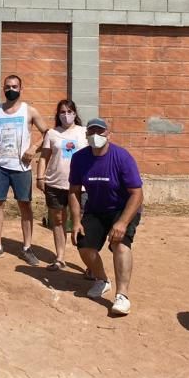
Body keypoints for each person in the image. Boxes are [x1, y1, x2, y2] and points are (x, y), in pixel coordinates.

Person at [68, 118, 143, 316]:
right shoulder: (79, 158)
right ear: (86, 136)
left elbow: (137, 193)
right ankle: (102, 280)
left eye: (100, 132)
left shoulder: (122, 157)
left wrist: (123, 222)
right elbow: (74, 191)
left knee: (120, 243)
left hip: (124, 207)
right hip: (95, 208)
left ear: (108, 135)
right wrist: (76, 222)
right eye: (91, 132)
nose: (96, 136)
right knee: (83, 244)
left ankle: (122, 296)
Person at [0, 74, 48, 263]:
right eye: (7, 86)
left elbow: (48, 132)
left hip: (21, 167)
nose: (11, 89)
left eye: (15, 86)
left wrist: (33, 148)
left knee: (25, 205)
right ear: (3, 89)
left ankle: (27, 247)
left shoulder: (29, 111)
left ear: (21, 89)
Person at [36, 99, 88, 271]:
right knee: (58, 220)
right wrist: (40, 177)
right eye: (63, 112)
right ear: (58, 115)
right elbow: (44, 157)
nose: (66, 115)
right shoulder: (52, 133)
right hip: (55, 183)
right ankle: (60, 257)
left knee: (83, 222)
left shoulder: (84, 132)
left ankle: (90, 263)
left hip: (80, 187)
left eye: (70, 111)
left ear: (75, 113)